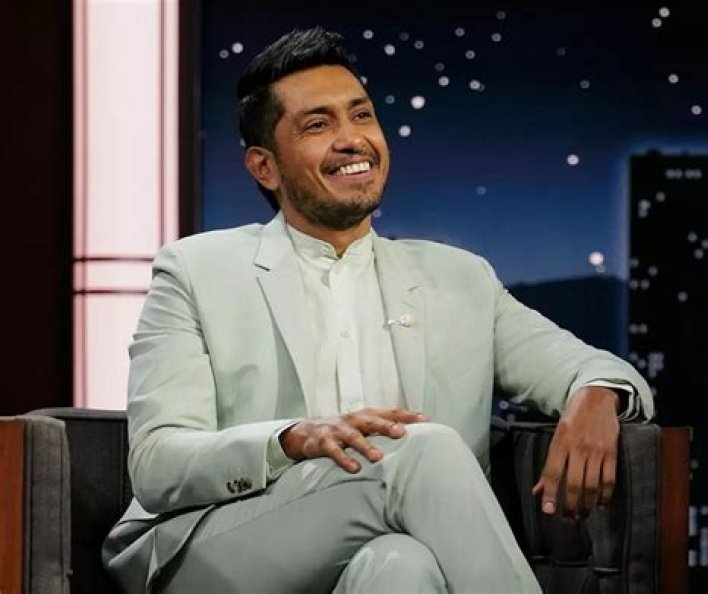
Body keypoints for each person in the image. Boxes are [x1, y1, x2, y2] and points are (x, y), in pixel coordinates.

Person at [102, 27, 653, 594]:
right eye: (318, 125)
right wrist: (290, 439)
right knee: (422, 448)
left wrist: (596, 396)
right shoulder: (196, 270)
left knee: (400, 565)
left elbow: (589, 367)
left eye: (361, 115)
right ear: (265, 167)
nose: (351, 140)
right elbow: (159, 463)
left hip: (388, 548)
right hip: (218, 548)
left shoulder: (459, 278)